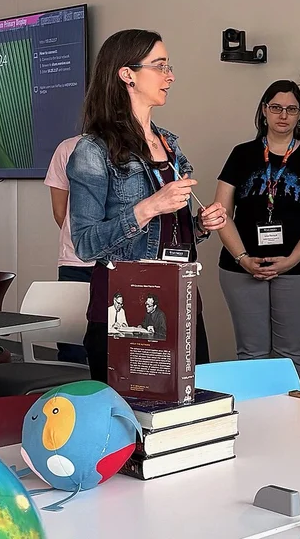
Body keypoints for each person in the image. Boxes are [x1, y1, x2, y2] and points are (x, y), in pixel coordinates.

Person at [68, 29, 227, 382]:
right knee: (132, 420)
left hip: (180, 298)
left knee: (187, 412)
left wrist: (200, 225)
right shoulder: (92, 151)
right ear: (127, 75)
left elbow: (169, 233)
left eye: (169, 66)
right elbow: (85, 244)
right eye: (160, 66)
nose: (170, 76)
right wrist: (149, 207)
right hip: (126, 302)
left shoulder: (169, 144)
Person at [214, 80, 300, 388]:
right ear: (264, 111)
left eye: (292, 109)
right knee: (251, 354)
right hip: (242, 266)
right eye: (276, 108)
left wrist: (292, 260)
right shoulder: (241, 155)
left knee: (292, 354)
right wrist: (242, 258)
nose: (284, 115)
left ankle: (291, 425)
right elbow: (221, 213)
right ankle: (256, 424)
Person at [44, 134, 95, 363]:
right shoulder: (67, 148)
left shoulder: (135, 144)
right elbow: (60, 213)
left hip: (120, 265)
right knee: (72, 347)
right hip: (76, 262)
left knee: (119, 344)